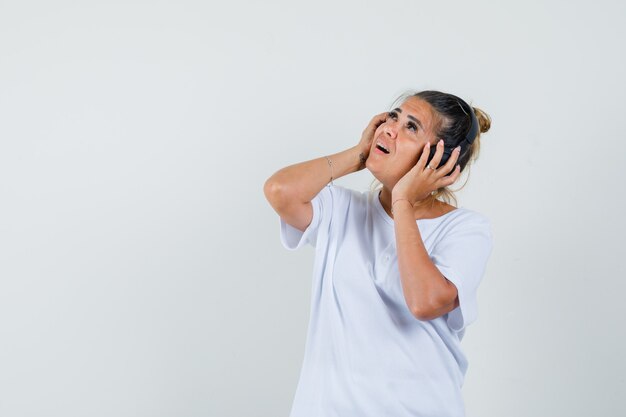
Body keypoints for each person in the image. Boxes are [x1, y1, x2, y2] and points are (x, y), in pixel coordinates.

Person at [263, 90, 493, 417]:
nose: (390, 128)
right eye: (393, 117)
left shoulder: (465, 230)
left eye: (411, 127)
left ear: (440, 160)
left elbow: (424, 302)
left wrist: (402, 200)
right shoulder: (340, 210)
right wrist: (359, 154)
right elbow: (279, 191)